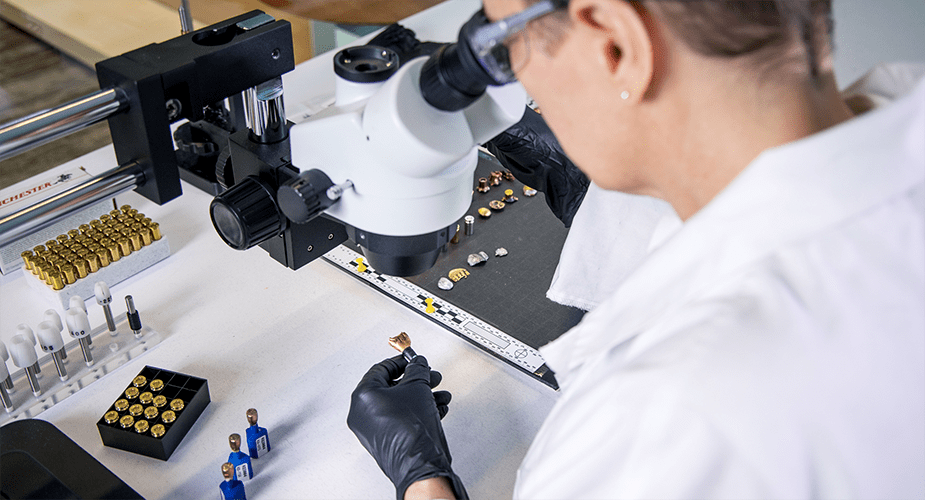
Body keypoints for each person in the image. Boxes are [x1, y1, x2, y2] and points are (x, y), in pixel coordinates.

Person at [348, 1, 925, 498]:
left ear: (616, 45)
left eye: (500, 43)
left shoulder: (646, 427)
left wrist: (423, 478)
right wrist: (622, 182)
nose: (501, 73)